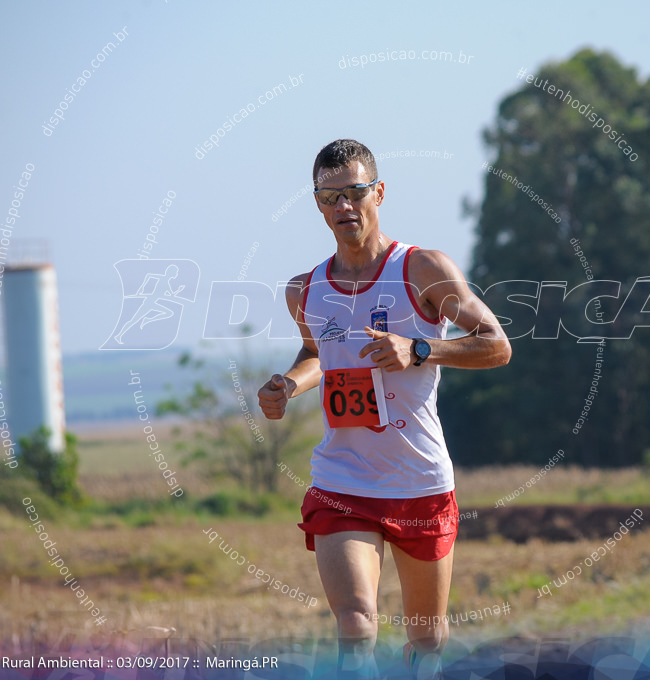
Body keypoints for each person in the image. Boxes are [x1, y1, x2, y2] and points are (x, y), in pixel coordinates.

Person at [258, 139, 511, 678]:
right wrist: (287, 385)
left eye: (354, 192)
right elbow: (316, 355)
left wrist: (420, 348)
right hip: (343, 478)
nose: (344, 207)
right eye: (330, 197)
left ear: (378, 192)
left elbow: (496, 344)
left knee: (427, 639)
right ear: (318, 205)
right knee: (356, 627)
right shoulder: (305, 289)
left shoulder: (422, 268)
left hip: (418, 478)